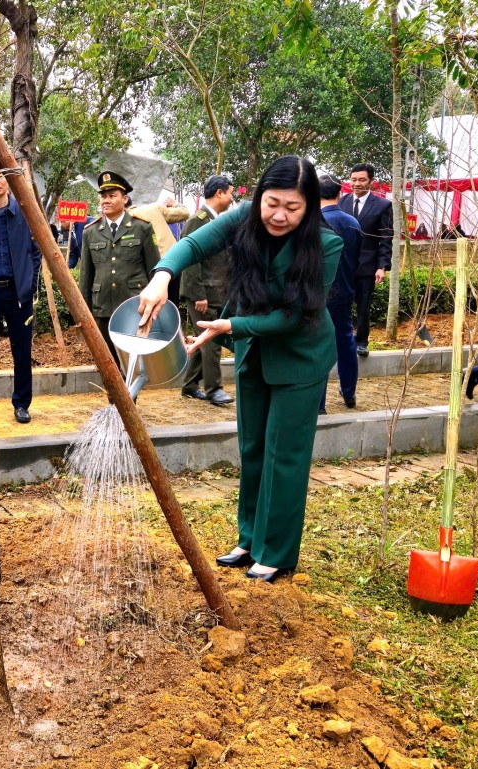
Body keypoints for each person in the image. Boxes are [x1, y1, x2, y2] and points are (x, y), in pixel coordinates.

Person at [139, 155, 343, 583]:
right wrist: (162, 275)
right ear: (259, 197)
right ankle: (250, 538)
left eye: (293, 207)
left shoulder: (326, 245)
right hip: (255, 354)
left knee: (283, 456)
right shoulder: (242, 221)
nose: (280, 215)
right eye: (272, 203)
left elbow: (295, 317)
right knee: (252, 449)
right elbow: (193, 244)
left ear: (308, 207)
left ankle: (278, 552)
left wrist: (231, 325)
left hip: (300, 359)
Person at [77, 170, 159, 364]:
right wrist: (84, 311)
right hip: (102, 307)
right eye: (103, 196)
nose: (106, 200)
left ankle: (129, 396)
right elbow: (86, 275)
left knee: (131, 360)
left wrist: (155, 306)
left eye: (112, 196)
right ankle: (113, 395)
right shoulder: (91, 232)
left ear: (125, 199)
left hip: (133, 305)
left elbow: (154, 270)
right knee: (107, 361)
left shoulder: (142, 227)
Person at [0, 161, 41, 424]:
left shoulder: (24, 212)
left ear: (9, 179)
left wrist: (30, 283)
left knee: (22, 350)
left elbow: (37, 251)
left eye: (1, 175)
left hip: (19, 292)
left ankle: (21, 403)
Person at [179, 175, 236, 406]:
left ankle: (190, 385)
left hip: (217, 292)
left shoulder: (219, 221)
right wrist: (198, 294)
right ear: (220, 193)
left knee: (206, 339)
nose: (232, 198)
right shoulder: (198, 221)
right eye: (231, 192)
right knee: (213, 342)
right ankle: (214, 390)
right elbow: (190, 259)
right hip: (203, 294)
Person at [318, 174, 362, 414]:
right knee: (346, 340)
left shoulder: (311, 222)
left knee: (319, 344)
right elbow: (356, 259)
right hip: (344, 289)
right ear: (340, 193)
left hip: (318, 293)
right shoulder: (352, 223)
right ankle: (349, 392)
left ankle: (318, 403)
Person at [338, 162, 392, 357]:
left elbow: (386, 238)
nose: (357, 184)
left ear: (371, 182)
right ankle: (340, 340)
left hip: (367, 266)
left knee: (363, 305)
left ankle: (361, 341)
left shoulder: (383, 205)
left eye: (362, 180)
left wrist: (382, 266)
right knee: (341, 304)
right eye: (353, 180)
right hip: (342, 265)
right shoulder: (341, 203)